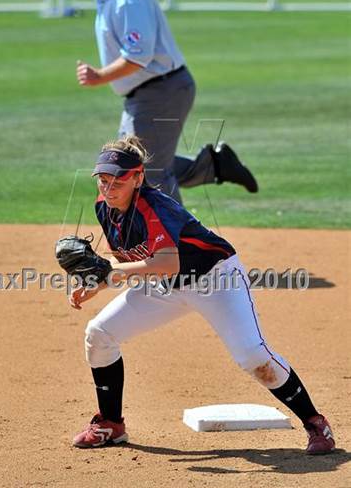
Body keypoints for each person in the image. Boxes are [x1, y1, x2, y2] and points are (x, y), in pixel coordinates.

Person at [67, 134, 335, 455]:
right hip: (165, 286)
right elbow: (127, 258)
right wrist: (97, 279)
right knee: (99, 333)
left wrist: (110, 274)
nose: (108, 188)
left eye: (118, 181)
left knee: (252, 356)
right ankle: (110, 424)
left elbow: (167, 262)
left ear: (138, 178)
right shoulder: (105, 208)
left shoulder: (156, 207)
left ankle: (316, 424)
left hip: (216, 281)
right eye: (103, 180)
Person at [60, 0, 258, 204]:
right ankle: (216, 166)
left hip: (160, 92)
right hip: (152, 92)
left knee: (148, 173)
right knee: (130, 165)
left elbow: (138, 56)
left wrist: (99, 76)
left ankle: (181, 243)